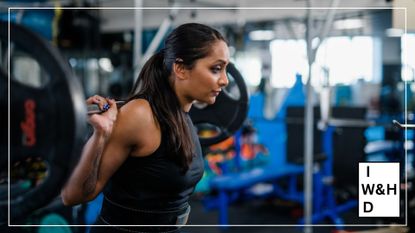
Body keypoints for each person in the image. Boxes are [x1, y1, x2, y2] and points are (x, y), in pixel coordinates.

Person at [61, 23, 230, 232]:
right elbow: (73, 195)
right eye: (216, 69)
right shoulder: (140, 115)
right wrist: (101, 134)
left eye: (225, 69)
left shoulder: (180, 114)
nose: (225, 80)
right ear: (180, 69)